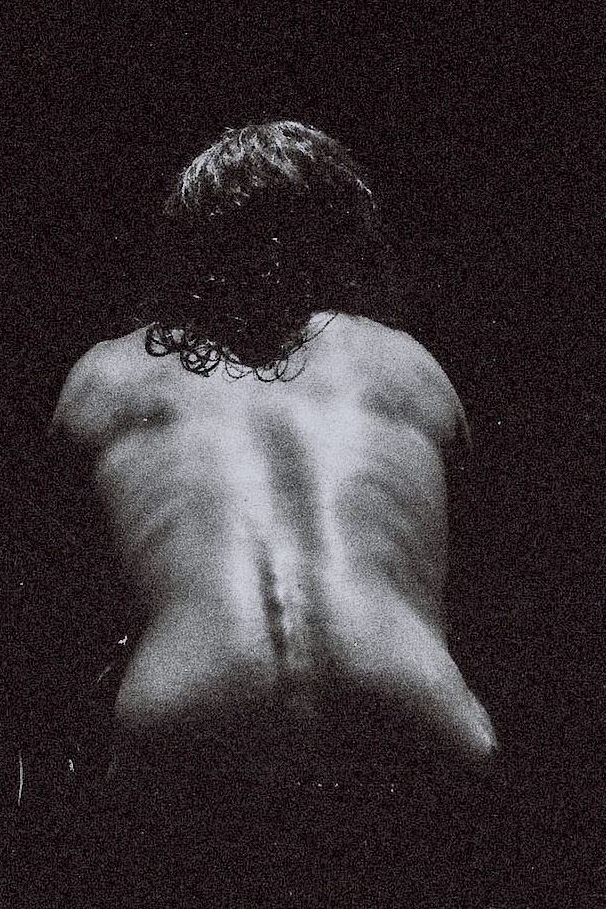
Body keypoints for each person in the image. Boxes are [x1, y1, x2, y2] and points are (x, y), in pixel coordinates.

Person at [48, 121, 500, 908]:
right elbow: (471, 586)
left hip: (190, 724)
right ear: (344, 238)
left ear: (186, 246)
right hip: (410, 714)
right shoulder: (409, 366)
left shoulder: (105, 379)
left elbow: (63, 615)